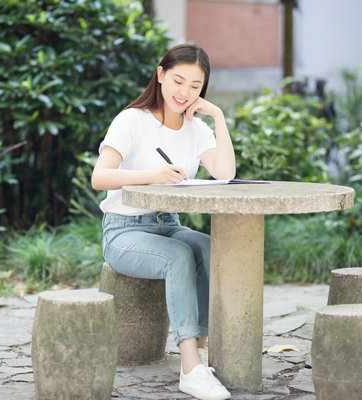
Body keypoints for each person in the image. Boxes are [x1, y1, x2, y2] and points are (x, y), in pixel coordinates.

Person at [91, 43, 235, 400]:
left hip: (168, 223)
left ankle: (196, 354)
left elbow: (225, 173)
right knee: (178, 256)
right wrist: (152, 174)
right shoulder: (132, 120)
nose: (184, 93)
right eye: (178, 81)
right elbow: (100, 177)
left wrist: (217, 116)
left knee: (208, 248)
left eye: (196, 86)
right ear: (160, 75)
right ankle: (189, 367)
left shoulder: (197, 129)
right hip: (124, 230)